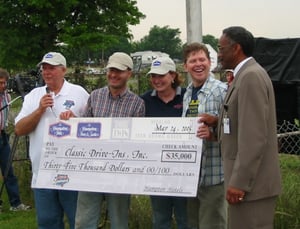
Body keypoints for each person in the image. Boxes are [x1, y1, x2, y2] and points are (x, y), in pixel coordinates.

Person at [60, 52, 145, 229]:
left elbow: (138, 141)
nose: (113, 75)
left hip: (120, 172)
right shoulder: (95, 96)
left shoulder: (137, 104)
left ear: (129, 73)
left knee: (119, 222)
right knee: (84, 221)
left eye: (119, 71)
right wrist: (73, 120)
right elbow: (84, 129)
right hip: (91, 169)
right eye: (110, 70)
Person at [14, 52, 89, 229]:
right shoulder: (34, 96)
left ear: (64, 70)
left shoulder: (79, 94)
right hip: (43, 175)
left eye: (52, 68)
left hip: (72, 174)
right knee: (48, 223)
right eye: (44, 69)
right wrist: (40, 110)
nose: (47, 72)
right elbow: (19, 129)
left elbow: (94, 129)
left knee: (78, 222)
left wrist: (76, 120)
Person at [217, 26, 282, 229]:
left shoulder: (250, 77)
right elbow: (240, 122)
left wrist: (239, 183)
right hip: (249, 187)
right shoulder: (245, 75)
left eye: (221, 48)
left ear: (236, 48)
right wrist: (216, 123)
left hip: (251, 189)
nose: (219, 54)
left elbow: (254, 138)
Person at [182, 42, 228, 229]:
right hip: (191, 177)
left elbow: (235, 127)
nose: (198, 64)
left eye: (202, 59)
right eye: (193, 60)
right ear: (185, 66)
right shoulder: (187, 94)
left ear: (210, 63)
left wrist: (213, 133)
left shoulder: (221, 91)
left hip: (214, 175)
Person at [141, 57, 188, 229]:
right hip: (157, 172)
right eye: (153, 76)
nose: (157, 80)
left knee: (186, 219)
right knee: (160, 219)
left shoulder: (187, 96)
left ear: (173, 76)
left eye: (161, 75)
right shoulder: (145, 100)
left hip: (184, 171)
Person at [0, 68, 30, 213]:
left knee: (8, 170)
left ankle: (15, 203)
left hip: (3, 136)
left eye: (4, 83)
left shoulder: (7, 96)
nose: (2, 86)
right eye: (0, 83)